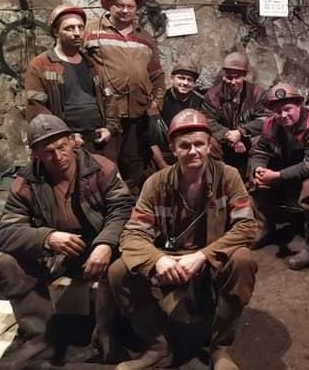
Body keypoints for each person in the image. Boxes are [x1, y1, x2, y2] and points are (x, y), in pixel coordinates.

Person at [108, 109, 258, 370]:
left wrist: (202, 256)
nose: (193, 151)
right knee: (118, 271)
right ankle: (157, 344)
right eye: (184, 146)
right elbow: (133, 233)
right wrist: (157, 260)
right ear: (173, 149)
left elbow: (246, 226)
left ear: (209, 146)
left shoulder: (228, 176)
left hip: (212, 255)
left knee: (242, 260)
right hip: (169, 257)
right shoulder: (156, 183)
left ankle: (220, 347)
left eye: (199, 144)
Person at [0, 114, 133, 368]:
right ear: (36, 154)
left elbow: (123, 210)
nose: (58, 156)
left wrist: (105, 243)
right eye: (48, 152)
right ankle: (40, 339)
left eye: (62, 147)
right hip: (56, 252)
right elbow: (5, 231)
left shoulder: (101, 168)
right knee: (7, 263)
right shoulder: (26, 182)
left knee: (122, 264)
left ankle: (107, 335)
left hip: (98, 245)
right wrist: (47, 237)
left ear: (72, 141)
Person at [84, 0, 166, 192]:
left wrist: (156, 102)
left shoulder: (145, 38)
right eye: (119, 5)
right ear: (109, 5)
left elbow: (157, 75)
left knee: (133, 164)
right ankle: (105, 204)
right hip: (105, 114)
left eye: (130, 6)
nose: (125, 10)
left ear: (136, 9)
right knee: (103, 164)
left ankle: (132, 204)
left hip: (137, 115)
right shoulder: (91, 31)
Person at [250, 83, 309, 270]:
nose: (283, 115)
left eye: (288, 109)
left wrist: (277, 176)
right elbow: (260, 151)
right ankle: (265, 227)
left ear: (299, 106)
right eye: (277, 111)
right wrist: (258, 169)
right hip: (291, 169)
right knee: (258, 179)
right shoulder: (271, 125)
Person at [24, 4, 117, 159]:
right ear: (56, 32)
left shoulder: (92, 64)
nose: (77, 33)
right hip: (65, 145)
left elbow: (109, 98)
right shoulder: (40, 65)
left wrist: (110, 128)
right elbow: (36, 109)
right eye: (69, 28)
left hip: (97, 140)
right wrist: (65, 136)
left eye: (81, 27)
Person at [202, 52, 267, 177]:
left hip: (247, 139)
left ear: (244, 76)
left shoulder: (258, 93)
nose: (232, 82)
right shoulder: (212, 95)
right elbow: (208, 120)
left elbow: (265, 119)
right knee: (209, 142)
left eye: (237, 77)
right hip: (223, 141)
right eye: (229, 77)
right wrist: (229, 136)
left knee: (261, 140)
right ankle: (221, 179)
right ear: (223, 76)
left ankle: (253, 180)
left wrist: (240, 132)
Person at [150, 58, 204, 169]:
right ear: (172, 79)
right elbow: (151, 139)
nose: (185, 83)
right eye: (181, 78)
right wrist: (162, 164)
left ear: (194, 83)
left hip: (191, 151)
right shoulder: (160, 101)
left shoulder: (200, 102)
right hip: (164, 152)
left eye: (189, 80)